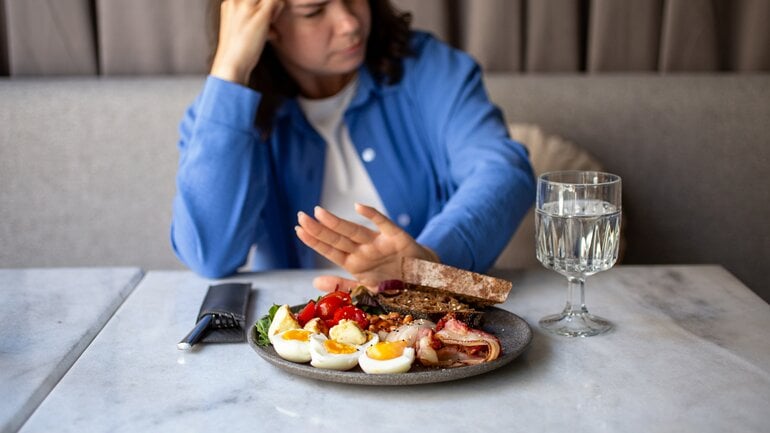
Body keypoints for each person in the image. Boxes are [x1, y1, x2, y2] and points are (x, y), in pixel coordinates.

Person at [171, 0, 535, 292]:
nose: (349, 22)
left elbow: (503, 171)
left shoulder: (430, 67)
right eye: (314, 10)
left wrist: (426, 264)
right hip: (300, 340)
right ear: (262, 24)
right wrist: (230, 68)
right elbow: (210, 256)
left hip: (422, 327)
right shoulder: (219, 115)